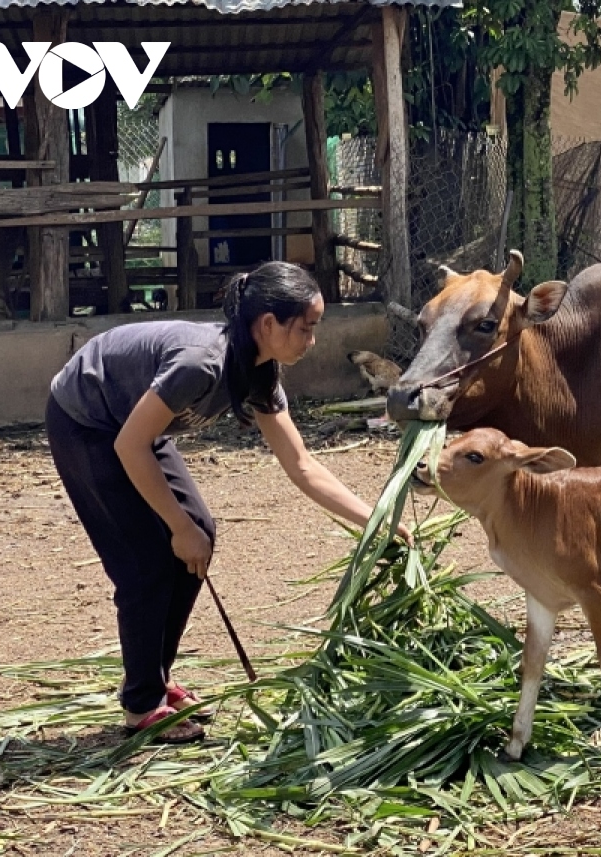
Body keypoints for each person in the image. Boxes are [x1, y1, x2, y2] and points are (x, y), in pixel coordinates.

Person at [47, 261, 404, 743]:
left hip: (134, 427)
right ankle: (141, 704)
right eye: (307, 328)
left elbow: (301, 465)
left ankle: (156, 676)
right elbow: (130, 446)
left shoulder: (258, 372)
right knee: (148, 563)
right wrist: (177, 526)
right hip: (88, 420)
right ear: (268, 324)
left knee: (202, 534)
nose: (313, 341)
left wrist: (376, 520)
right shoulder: (201, 364)